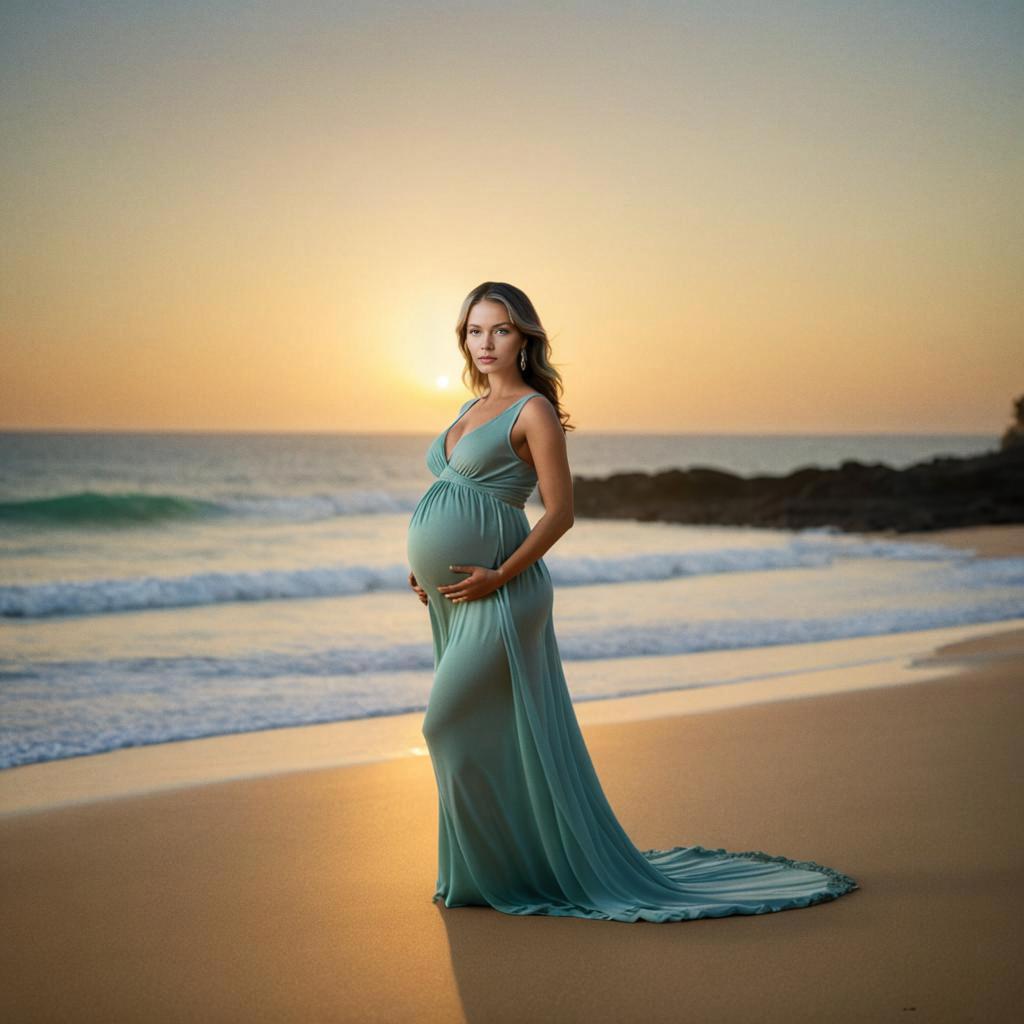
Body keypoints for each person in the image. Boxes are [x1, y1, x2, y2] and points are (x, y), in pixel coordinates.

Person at [405, 281, 859, 922]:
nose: (486, 343)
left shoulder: (532, 411)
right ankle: (491, 873)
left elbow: (560, 515)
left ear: (524, 338)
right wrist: (419, 565)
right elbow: (450, 497)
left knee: (443, 724)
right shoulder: (466, 409)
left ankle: (512, 872)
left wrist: (499, 575)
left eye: (500, 330)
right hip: (455, 595)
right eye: (476, 330)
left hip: (503, 593)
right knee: (486, 732)